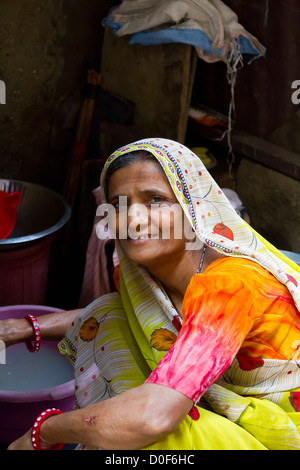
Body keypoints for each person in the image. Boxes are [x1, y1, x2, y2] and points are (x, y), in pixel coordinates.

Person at [3, 137, 300, 450]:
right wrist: (23, 328)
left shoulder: (227, 284)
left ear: (193, 208)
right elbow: (122, 311)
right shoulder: (145, 273)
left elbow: (155, 418)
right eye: (119, 204)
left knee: (154, 432)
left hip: (279, 429)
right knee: (111, 316)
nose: (133, 219)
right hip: (222, 409)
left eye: (155, 200)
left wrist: (45, 430)